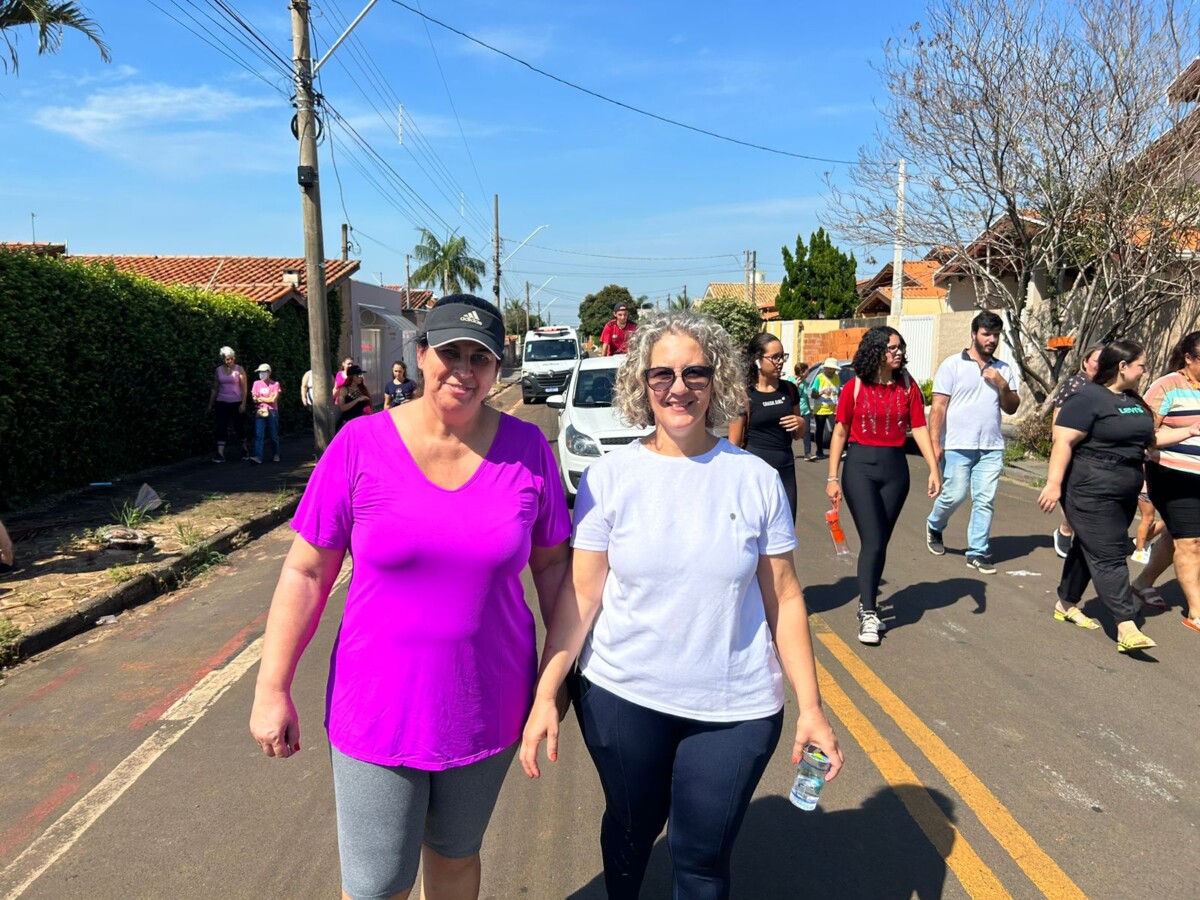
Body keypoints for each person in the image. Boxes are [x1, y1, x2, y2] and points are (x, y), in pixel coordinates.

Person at [250, 294, 570, 900]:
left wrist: (555, 684)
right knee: (376, 885)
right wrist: (272, 687)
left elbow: (554, 569)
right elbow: (307, 574)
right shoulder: (359, 445)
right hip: (377, 708)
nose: (464, 371)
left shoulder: (528, 451)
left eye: (481, 358)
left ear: (497, 368)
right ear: (421, 355)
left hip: (488, 704)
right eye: (451, 352)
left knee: (455, 858)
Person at [519, 310, 842, 900]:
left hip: (736, 705)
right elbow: (581, 595)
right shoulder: (608, 477)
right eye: (661, 374)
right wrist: (547, 693)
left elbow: (785, 597)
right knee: (632, 828)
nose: (679, 387)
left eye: (695, 373)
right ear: (641, 384)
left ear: (717, 381)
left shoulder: (755, 479)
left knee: (701, 859)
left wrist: (812, 707)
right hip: (622, 695)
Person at [1034, 341, 1188, 652]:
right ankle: (1125, 624)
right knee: (1110, 553)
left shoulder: (1132, 400)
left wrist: (1190, 431)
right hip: (1089, 489)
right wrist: (1053, 483)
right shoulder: (1086, 398)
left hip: (1123, 491)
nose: (1144, 371)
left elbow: (1150, 439)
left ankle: (1066, 603)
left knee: (1087, 546)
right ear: (1122, 366)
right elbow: (1063, 441)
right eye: (1141, 365)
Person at [826, 327, 942, 645]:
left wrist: (934, 469)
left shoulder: (907, 386)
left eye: (901, 347)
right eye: (892, 347)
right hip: (859, 469)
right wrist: (832, 477)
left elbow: (919, 427)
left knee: (878, 543)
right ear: (876, 351)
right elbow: (840, 432)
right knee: (874, 540)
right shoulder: (854, 387)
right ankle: (869, 611)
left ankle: (867, 601)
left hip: (895, 472)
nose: (899, 352)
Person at [925, 312, 1021, 574]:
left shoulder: (1003, 369)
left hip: (991, 447)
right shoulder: (952, 365)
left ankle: (977, 551)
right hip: (957, 445)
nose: (991, 340)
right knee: (954, 495)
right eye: (986, 334)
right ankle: (935, 524)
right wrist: (935, 444)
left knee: (984, 500)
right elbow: (938, 407)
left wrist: (1002, 385)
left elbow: (1012, 407)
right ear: (973, 334)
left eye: (996, 335)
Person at [1133, 330, 1200, 631]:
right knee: (1191, 541)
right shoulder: (1167, 386)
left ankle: (1142, 583)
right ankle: (1196, 611)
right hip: (1172, 475)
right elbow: (1145, 433)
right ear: (1189, 358)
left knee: (1176, 535)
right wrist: (1187, 432)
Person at [729, 333, 805, 521]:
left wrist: (801, 423)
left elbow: (797, 435)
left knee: (786, 527)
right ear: (757, 360)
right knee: (755, 527)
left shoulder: (789, 390)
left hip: (786, 469)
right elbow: (733, 444)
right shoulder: (744, 395)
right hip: (754, 472)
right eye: (775, 357)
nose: (780, 362)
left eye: (782, 356)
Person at [1050, 344, 1104, 558]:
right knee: (1074, 495)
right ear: (1085, 362)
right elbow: (1058, 415)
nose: (1100, 365)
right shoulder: (1074, 385)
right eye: (1096, 360)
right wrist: (1058, 442)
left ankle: (1085, 536)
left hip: (1098, 450)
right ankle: (1065, 530)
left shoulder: (1109, 387)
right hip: (1074, 447)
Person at [206, 345, 247, 463]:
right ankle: (220, 454)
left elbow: (244, 388)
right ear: (223, 359)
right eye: (228, 359)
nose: (230, 361)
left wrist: (243, 403)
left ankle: (245, 450)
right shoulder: (218, 370)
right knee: (221, 427)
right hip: (222, 401)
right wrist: (210, 404)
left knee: (239, 427)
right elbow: (215, 387)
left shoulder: (239, 369)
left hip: (236, 402)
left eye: (232, 358)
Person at [809, 357, 842, 460]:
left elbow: (838, 392)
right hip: (821, 409)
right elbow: (813, 395)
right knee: (820, 430)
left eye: (833, 369)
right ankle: (819, 451)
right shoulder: (819, 378)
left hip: (833, 409)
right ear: (825, 368)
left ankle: (835, 451)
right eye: (829, 369)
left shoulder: (837, 377)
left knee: (835, 431)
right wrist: (822, 392)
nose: (831, 371)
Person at [249, 364, 282, 464]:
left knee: (273, 435)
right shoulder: (256, 383)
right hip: (260, 411)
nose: (261, 374)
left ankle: (276, 454)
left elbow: (273, 400)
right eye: (260, 372)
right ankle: (258, 456)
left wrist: (261, 398)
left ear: (269, 372)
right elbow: (254, 399)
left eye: (263, 372)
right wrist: (266, 398)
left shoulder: (275, 384)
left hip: (272, 411)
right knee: (259, 435)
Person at [794, 361, 813, 458]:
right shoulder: (790, 381)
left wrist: (810, 409)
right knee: (792, 432)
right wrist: (796, 385)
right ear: (801, 372)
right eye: (807, 371)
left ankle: (808, 453)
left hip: (805, 411)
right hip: (795, 410)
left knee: (807, 431)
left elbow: (806, 397)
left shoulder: (805, 383)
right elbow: (790, 395)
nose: (808, 372)